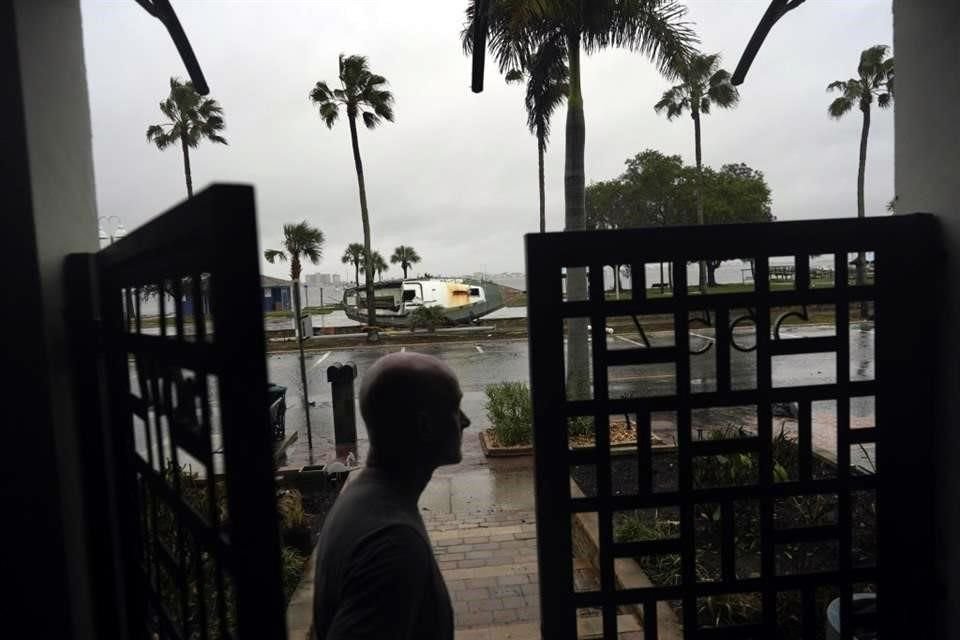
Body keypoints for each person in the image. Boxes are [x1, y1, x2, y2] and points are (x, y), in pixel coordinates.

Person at [313, 352, 471, 640]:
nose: (465, 421)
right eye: (454, 408)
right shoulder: (393, 543)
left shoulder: (363, 499)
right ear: (425, 425)